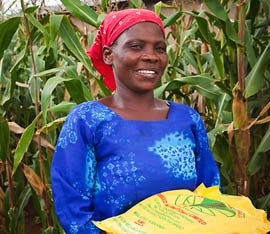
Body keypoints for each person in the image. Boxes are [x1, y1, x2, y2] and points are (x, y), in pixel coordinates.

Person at [50, 8, 220, 234]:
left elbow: (209, 191)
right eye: (136, 46)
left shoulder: (187, 119)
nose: (151, 56)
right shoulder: (88, 121)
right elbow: (73, 210)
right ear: (109, 54)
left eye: (159, 48)